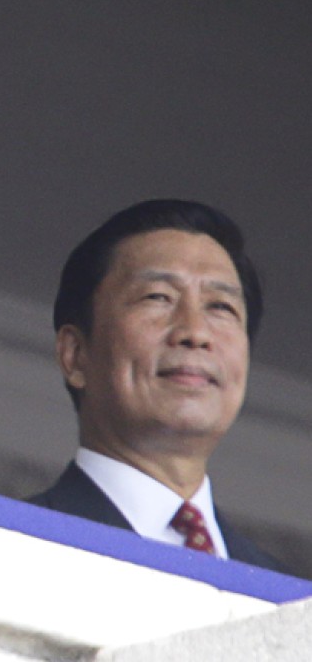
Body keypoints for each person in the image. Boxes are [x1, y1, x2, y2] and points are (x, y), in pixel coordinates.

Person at [27, 199, 287, 572]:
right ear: (76, 355)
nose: (195, 333)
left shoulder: (290, 596)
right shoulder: (7, 548)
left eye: (220, 307)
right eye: (158, 297)